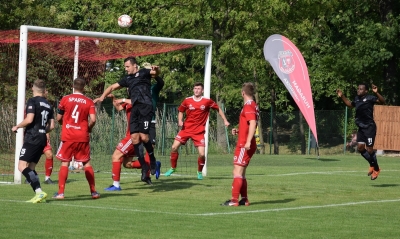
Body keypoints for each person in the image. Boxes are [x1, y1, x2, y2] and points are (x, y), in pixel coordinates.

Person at [94, 57, 162, 182]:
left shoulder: (143, 72)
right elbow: (113, 87)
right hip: (136, 110)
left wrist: (156, 70)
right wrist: (102, 97)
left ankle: (151, 160)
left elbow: (155, 74)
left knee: (143, 137)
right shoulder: (128, 80)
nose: (126, 69)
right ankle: (144, 167)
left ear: (135, 65)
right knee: (131, 150)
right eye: (124, 67)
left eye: (127, 67)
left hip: (146, 107)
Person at [164, 82, 230, 179]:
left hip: (199, 131)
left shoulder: (207, 101)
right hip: (186, 129)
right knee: (174, 147)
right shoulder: (187, 100)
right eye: (195, 88)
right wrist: (180, 120)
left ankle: (199, 172)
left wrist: (225, 120)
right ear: (193, 90)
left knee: (202, 154)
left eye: (199, 89)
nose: (196, 90)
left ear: (202, 90)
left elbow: (218, 109)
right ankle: (173, 168)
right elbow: (181, 111)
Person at [53, 77, 99, 199]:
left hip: (68, 135)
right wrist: (88, 128)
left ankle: (61, 193)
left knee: (65, 163)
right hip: (82, 135)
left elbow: (58, 118)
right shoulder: (89, 101)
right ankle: (94, 192)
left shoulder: (65, 99)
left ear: (73, 86)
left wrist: (64, 125)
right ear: (84, 87)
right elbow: (93, 119)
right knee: (87, 163)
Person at [12, 79, 55, 203]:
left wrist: (17, 126)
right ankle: (39, 193)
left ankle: (39, 192)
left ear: (33, 88)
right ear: (44, 90)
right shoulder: (48, 105)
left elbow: (29, 119)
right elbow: (51, 126)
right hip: (42, 138)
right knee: (31, 167)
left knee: (21, 166)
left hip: (32, 137)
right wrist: (42, 131)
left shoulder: (32, 101)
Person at [337, 83, 385, 180]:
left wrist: (377, 93)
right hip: (361, 128)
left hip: (369, 127)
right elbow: (350, 105)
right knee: (360, 148)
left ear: (366, 91)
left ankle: (376, 169)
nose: (358, 90)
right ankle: (373, 164)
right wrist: (342, 96)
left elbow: (382, 101)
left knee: (370, 149)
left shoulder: (370, 98)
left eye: (361, 89)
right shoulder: (356, 99)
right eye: (358, 89)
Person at [221, 82, 258, 206]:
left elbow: (252, 123)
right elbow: (248, 124)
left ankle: (234, 200)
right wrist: (239, 130)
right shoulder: (253, 105)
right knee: (241, 172)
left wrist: (247, 141)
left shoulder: (248, 106)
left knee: (237, 172)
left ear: (243, 93)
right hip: (245, 142)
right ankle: (244, 199)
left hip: (244, 144)